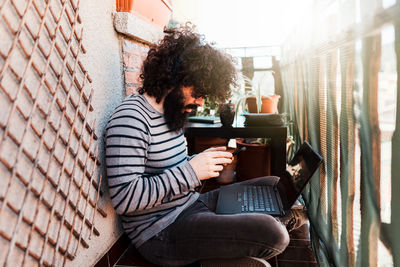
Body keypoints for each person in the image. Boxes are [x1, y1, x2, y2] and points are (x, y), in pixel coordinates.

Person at [106, 24, 305, 267]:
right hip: (161, 232)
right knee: (275, 235)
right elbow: (125, 199)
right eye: (197, 91)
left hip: (191, 204)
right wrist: (192, 171)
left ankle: (237, 241)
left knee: (274, 184)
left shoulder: (172, 112)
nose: (200, 101)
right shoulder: (131, 118)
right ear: (173, 77)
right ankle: (250, 237)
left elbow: (170, 171)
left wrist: (200, 162)